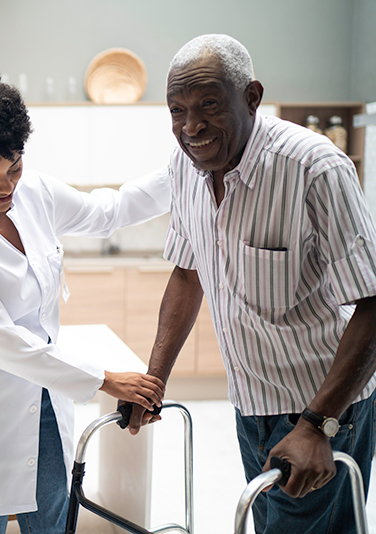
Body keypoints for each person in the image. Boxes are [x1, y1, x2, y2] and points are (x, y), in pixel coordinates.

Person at [124, 34, 376, 533]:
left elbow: (372, 301)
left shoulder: (313, 167)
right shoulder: (184, 168)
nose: (191, 127)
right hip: (250, 404)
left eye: (209, 106)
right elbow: (186, 272)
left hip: (324, 406)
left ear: (252, 97)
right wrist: (152, 382)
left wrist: (316, 425)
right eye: (177, 111)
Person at [0, 71, 170, 534]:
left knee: (52, 516)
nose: (6, 186)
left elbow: (108, 212)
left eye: (14, 167)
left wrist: (184, 169)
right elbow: (3, 344)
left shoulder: (37, 193)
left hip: (48, 393)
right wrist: (106, 380)